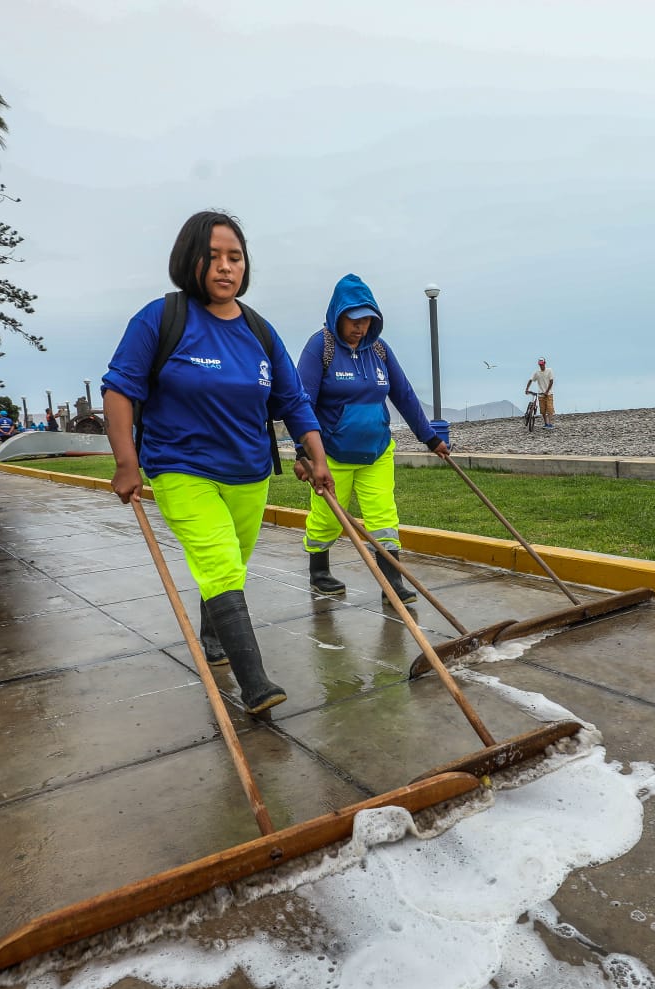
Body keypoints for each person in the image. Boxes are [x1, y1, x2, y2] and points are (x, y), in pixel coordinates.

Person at [101, 210, 333, 715]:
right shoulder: (160, 319)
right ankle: (255, 684)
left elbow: (292, 401)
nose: (226, 267)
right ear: (191, 260)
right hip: (180, 468)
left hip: (249, 472)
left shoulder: (259, 330)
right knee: (221, 562)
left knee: (230, 565)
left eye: (235, 257)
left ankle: (214, 635)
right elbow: (119, 389)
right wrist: (126, 463)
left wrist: (315, 456)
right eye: (213, 257)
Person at [295, 274, 449, 603]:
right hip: (332, 455)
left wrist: (430, 438)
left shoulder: (379, 350)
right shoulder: (319, 347)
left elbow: (404, 395)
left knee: (384, 517)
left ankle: (392, 582)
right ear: (338, 314)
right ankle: (319, 572)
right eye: (354, 319)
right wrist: (303, 454)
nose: (360, 327)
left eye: (366, 319)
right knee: (326, 519)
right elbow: (301, 403)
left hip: (376, 451)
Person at [525, 357, 556, 429]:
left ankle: (550, 424)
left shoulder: (549, 370)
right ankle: (546, 423)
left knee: (550, 409)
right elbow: (531, 380)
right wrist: (527, 389)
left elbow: (551, 381)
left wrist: (547, 391)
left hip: (549, 394)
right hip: (541, 394)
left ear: (545, 363)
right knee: (543, 410)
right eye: (540, 364)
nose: (541, 365)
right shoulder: (537, 373)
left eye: (542, 364)